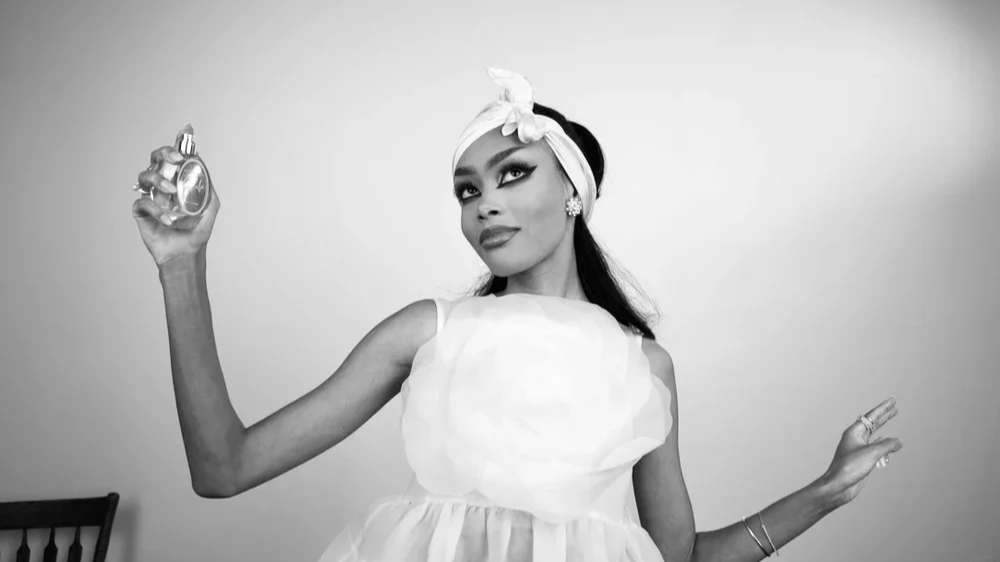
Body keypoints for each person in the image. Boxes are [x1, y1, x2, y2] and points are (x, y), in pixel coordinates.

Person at [132, 68, 904, 562]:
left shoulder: (644, 367)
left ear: (573, 192)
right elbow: (223, 469)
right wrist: (182, 264)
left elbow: (676, 559)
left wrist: (825, 491)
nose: (485, 204)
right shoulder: (427, 331)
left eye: (511, 174)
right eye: (467, 191)